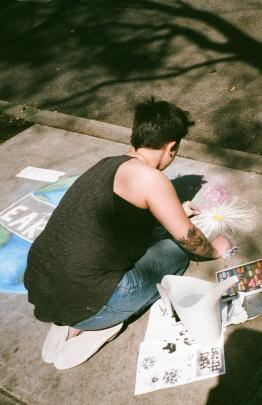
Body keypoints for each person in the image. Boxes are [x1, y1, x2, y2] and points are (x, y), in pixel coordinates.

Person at [24, 98, 232, 368]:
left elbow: (124, 216)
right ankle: (97, 325)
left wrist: (174, 209)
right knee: (174, 253)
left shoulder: (106, 164)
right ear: (171, 147)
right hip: (92, 302)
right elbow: (187, 238)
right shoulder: (151, 178)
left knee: (138, 246)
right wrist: (216, 250)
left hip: (43, 288)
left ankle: (68, 321)